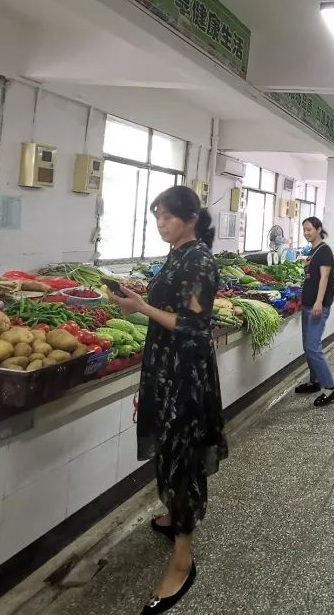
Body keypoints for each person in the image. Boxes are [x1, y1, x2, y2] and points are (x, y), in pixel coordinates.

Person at [109, 185, 226, 615]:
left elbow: (193, 325)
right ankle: (174, 516)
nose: (161, 224)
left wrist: (141, 307)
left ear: (190, 218)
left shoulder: (200, 261)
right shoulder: (177, 255)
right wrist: (136, 301)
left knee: (183, 458)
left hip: (185, 376)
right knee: (168, 451)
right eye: (156, 216)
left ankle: (182, 562)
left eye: (168, 217)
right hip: (165, 369)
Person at [295, 216, 334, 407]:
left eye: (309, 229)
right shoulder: (313, 251)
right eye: (304, 230)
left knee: (313, 347)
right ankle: (314, 382)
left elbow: (324, 278)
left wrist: (319, 301)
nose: (306, 233)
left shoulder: (324, 251)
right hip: (308, 304)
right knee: (308, 346)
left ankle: (329, 388)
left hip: (317, 306)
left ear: (319, 229)